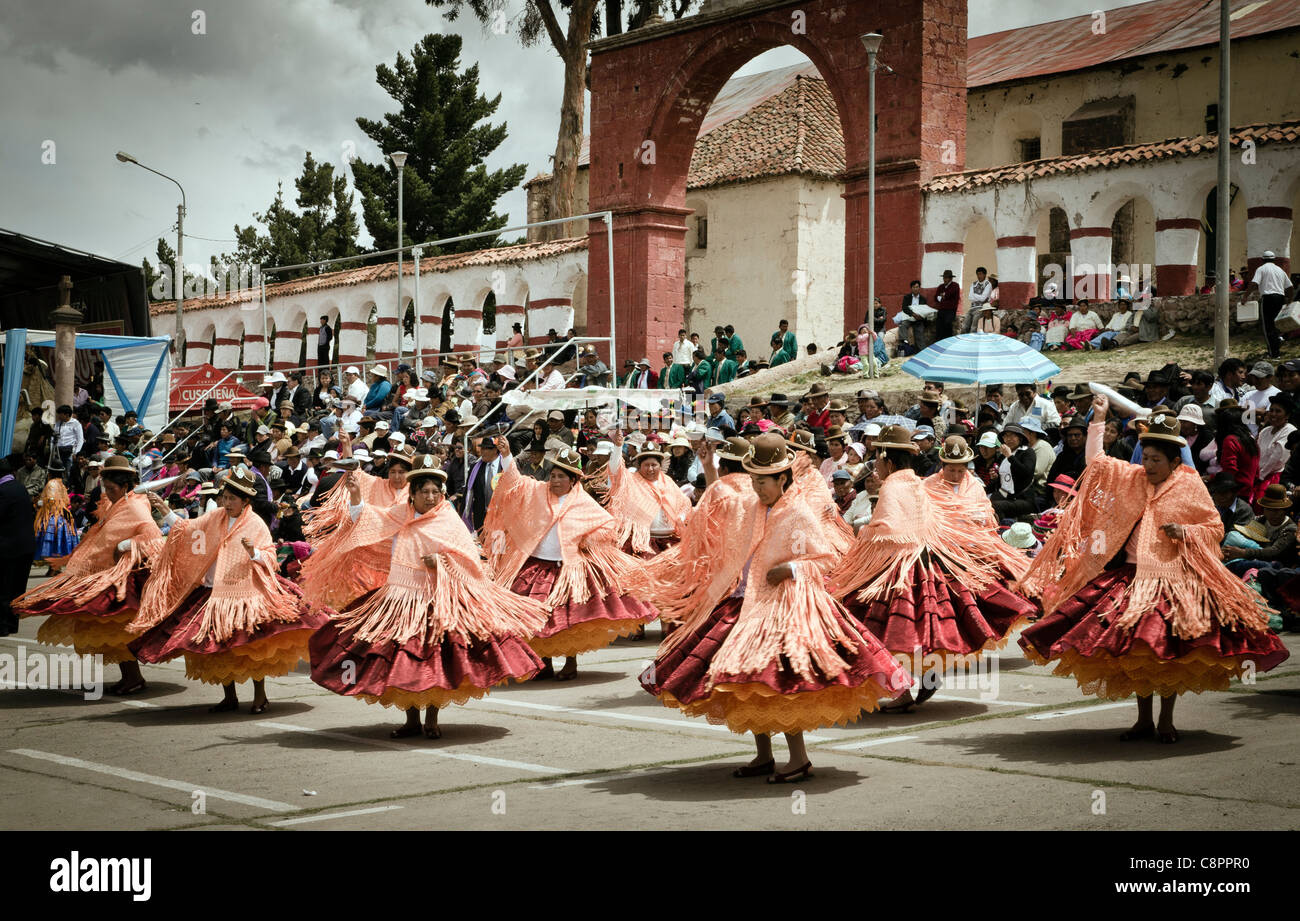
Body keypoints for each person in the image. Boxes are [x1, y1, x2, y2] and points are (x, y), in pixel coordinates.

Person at [640, 433, 913, 782]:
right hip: (743, 603)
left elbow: (825, 558)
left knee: (780, 682)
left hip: (786, 608)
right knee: (746, 681)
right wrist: (709, 468)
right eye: (753, 480)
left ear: (782, 478)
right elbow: (720, 499)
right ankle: (763, 755)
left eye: (764, 481)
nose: (758, 487)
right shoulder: (748, 508)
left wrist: (792, 568)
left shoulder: (798, 512)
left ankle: (798, 759)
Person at [1019, 395, 1290, 742]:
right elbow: (1096, 461)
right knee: (1136, 653)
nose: (1148, 465)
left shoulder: (1191, 484)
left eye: (1156, 460)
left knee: (1167, 655)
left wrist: (1186, 532)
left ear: (1175, 461)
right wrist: (1098, 419)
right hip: (1128, 579)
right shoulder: (1131, 477)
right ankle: (1143, 720)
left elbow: (1214, 529)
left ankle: (1166, 721)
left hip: (1172, 581)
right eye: (1145, 458)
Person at [305, 455, 548, 739]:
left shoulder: (448, 518)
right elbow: (368, 521)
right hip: (401, 598)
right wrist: (357, 496)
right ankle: (411, 720)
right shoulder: (400, 513)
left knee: (435, 662)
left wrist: (442, 564)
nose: (431, 497)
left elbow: (468, 560)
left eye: (435, 491)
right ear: (414, 493)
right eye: (425, 492)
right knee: (402, 660)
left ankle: (431, 718)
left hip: (439, 601)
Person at [829, 426, 1036, 713]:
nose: (875, 463)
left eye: (877, 456)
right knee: (924, 628)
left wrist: (861, 530)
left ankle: (905, 685)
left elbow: (889, 531)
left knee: (889, 631)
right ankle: (920, 679)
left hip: (903, 567)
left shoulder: (895, 485)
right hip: (929, 561)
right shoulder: (916, 481)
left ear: (887, 459)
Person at [128, 465, 328, 714]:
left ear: (245, 501)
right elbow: (187, 529)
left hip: (245, 595)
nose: (227, 502)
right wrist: (164, 509)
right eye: (225, 497)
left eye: (232, 498)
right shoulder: (214, 518)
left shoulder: (255, 523)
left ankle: (260, 696)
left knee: (250, 647)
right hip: (212, 592)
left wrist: (252, 552)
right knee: (218, 647)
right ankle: (229, 697)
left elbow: (269, 557)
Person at [482, 440, 657, 681]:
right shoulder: (538, 491)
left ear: (573, 480)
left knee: (568, 620)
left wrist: (590, 538)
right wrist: (507, 455)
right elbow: (516, 483)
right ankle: (544, 663)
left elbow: (606, 525)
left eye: (561, 477)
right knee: (537, 618)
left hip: (569, 570)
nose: (555, 481)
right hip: (536, 565)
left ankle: (570, 661)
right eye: (553, 475)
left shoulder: (582, 502)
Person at [14, 455, 161, 693]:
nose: (109, 492)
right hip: (105, 574)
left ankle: (134, 678)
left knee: (115, 629)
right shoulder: (119, 504)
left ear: (124, 486)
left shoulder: (134, 505)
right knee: (110, 629)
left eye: (112, 488)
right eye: (106, 488)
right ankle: (130, 677)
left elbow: (152, 535)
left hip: (120, 578)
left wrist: (123, 546)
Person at [1244, 250, 1294, 358]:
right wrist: (1290, 300)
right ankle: (1278, 344)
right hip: (1280, 298)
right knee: (1278, 324)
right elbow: (1290, 287)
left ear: (1262, 260)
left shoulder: (1261, 269)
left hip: (1268, 298)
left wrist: (1245, 297)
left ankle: (1274, 354)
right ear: (1274, 260)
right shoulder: (1280, 270)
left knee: (1268, 327)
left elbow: (1254, 283)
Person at [933, 269, 961, 340]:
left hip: (951, 310)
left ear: (951, 278)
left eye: (946, 278)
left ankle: (948, 340)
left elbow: (949, 295)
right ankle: (939, 341)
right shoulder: (941, 287)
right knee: (939, 326)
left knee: (947, 323)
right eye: (944, 278)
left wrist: (943, 297)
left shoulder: (955, 286)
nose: (944, 279)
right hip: (942, 310)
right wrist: (943, 297)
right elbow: (936, 298)